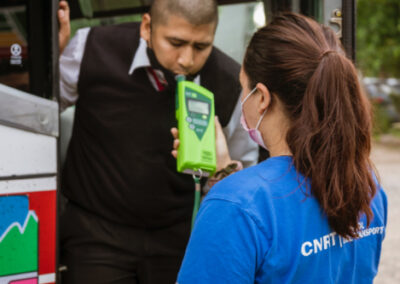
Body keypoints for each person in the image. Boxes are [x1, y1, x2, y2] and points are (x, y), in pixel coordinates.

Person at [177, 13, 387, 284]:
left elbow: (253, 211)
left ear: (261, 97)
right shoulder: (368, 187)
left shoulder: (233, 204)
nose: (243, 98)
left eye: (243, 87)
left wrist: (226, 189)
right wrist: (224, 169)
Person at [57, 0, 258, 283]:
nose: (187, 59)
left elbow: (243, 176)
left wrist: (218, 170)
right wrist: (49, 56)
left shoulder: (229, 81)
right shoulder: (91, 46)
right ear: (147, 26)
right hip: (96, 231)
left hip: (179, 235)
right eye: (176, 42)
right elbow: (42, 111)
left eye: (201, 46)